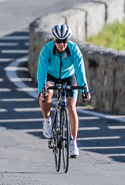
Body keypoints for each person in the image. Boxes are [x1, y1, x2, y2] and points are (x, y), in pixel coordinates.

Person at [37, 23, 89, 159]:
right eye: (59, 41)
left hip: (68, 76)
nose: (62, 44)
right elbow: (41, 72)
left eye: (65, 41)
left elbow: (80, 70)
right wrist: (41, 90)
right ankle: (47, 120)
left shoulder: (74, 49)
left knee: (71, 107)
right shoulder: (47, 50)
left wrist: (85, 89)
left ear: (68, 40)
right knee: (46, 93)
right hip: (51, 76)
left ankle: (73, 142)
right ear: (54, 40)